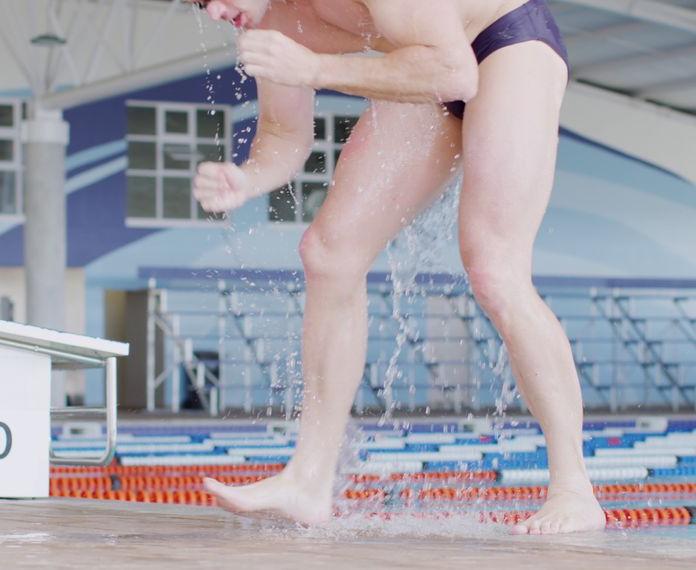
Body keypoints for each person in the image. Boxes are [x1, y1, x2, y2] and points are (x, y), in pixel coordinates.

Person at [190, 0, 604, 535]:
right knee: (329, 252)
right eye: (199, 4)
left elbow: (454, 70)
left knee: (494, 268)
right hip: (426, 70)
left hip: (505, 47)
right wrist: (246, 180)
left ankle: (575, 488)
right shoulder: (274, 21)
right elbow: (283, 135)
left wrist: (314, 68)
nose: (215, 12)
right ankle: (309, 482)